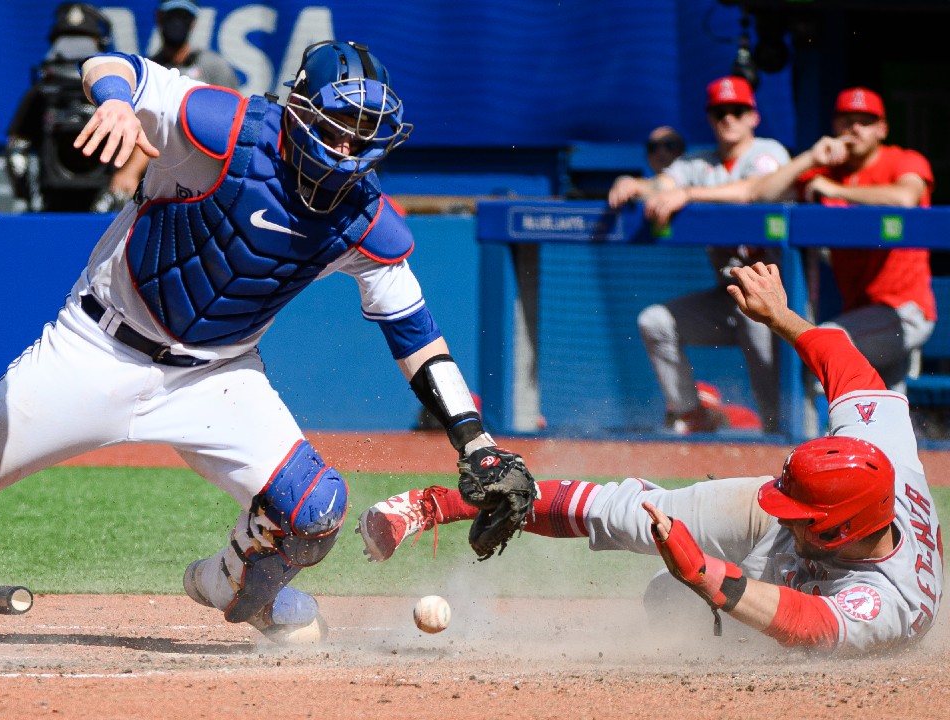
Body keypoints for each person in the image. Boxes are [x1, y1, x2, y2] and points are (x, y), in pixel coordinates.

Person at [0, 40, 531, 645]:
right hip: (98, 347)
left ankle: (230, 583)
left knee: (314, 513)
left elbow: (421, 341)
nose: (350, 152)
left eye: (365, 137)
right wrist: (114, 102)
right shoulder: (226, 126)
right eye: (340, 129)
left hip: (216, 377)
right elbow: (114, 64)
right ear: (304, 112)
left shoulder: (365, 218)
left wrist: (478, 443)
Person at [360, 262, 942, 655]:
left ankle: (693, 600)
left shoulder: (885, 603)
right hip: (815, 552)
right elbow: (843, 362)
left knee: (669, 601)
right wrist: (778, 315)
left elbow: (805, 622)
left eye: (797, 513)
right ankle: (440, 504)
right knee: (635, 511)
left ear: (840, 530)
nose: (781, 512)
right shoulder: (876, 456)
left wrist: (703, 576)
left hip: (799, 600)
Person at [609, 77, 790, 434]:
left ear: (753, 116)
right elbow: (664, 183)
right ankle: (693, 415)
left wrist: (688, 194)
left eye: (737, 111)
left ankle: (784, 438)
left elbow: (750, 192)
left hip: (777, 299)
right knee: (655, 321)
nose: (728, 119)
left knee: (775, 397)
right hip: (732, 297)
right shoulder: (699, 163)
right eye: (719, 112)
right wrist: (635, 184)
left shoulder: (768, 154)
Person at [745, 87, 936, 393]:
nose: (855, 128)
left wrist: (837, 192)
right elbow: (761, 195)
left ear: (882, 128)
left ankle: (807, 439)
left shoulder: (903, 160)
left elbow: (904, 198)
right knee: (885, 404)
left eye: (865, 121)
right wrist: (809, 158)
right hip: (862, 313)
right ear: (835, 127)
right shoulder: (826, 170)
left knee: (821, 350)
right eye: (847, 120)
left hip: (903, 311)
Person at [96, 0, 241, 213]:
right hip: (157, 183)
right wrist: (130, 171)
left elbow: (234, 125)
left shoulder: (214, 68)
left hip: (206, 177)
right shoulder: (148, 70)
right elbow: (146, 125)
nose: (177, 24)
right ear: (159, 19)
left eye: (184, 18)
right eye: (171, 16)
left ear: (193, 23)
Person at [5, 3, 118, 212]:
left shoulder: (115, 96)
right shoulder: (40, 95)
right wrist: (30, 199)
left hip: (105, 202)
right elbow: (16, 149)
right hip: (50, 202)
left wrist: (119, 189)